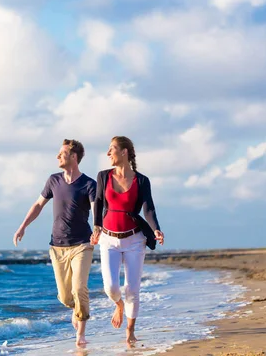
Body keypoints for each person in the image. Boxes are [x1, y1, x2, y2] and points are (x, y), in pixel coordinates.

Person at [13, 139, 97, 347]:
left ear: (73, 157)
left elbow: (97, 210)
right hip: (57, 246)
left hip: (82, 244)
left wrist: (97, 229)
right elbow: (38, 205)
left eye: (62, 153)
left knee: (79, 289)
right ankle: (77, 310)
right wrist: (23, 226)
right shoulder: (53, 180)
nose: (58, 157)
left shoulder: (89, 184)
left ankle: (81, 335)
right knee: (65, 296)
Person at [90, 136, 165, 348]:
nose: (107, 153)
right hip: (108, 239)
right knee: (111, 287)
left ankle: (130, 331)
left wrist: (156, 229)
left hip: (134, 240)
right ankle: (119, 305)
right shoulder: (103, 176)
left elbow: (148, 208)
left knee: (133, 289)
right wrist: (96, 228)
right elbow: (97, 204)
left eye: (111, 149)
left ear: (124, 152)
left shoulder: (142, 181)